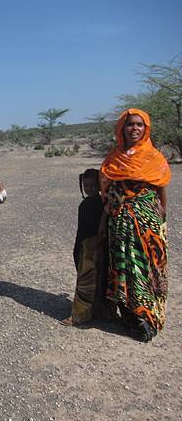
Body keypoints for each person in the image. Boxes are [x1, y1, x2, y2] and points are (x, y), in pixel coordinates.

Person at [100, 108, 171, 342]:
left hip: (147, 221)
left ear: (146, 128)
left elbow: (161, 186)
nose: (135, 129)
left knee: (147, 266)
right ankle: (131, 315)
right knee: (123, 265)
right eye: (130, 124)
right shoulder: (114, 156)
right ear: (122, 128)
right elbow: (106, 187)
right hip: (120, 221)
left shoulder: (154, 156)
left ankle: (149, 318)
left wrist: (160, 211)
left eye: (140, 124)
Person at [61, 168, 108, 326]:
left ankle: (79, 315)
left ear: (100, 185)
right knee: (94, 278)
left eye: (93, 185)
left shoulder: (101, 204)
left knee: (86, 280)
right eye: (86, 185)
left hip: (90, 247)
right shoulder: (90, 204)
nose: (89, 188)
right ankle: (96, 311)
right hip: (86, 246)